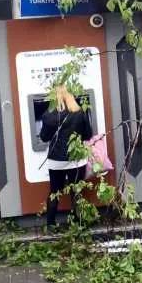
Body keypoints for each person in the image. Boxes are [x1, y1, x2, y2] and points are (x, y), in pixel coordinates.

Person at [39, 85, 94, 226]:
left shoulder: (49, 115)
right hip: (76, 159)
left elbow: (44, 137)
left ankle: (50, 225)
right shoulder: (79, 113)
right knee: (76, 191)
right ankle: (78, 223)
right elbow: (88, 134)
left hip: (56, 160)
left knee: (54, 192)